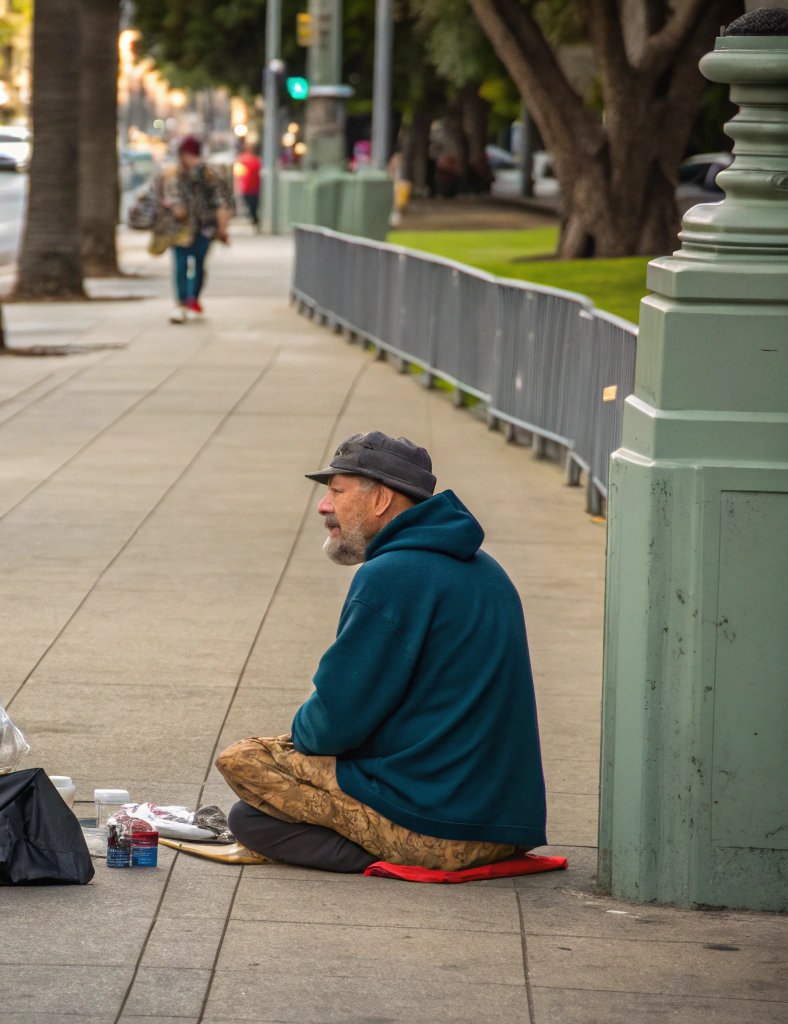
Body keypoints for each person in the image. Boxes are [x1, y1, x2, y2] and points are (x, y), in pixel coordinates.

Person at [215, 432, 547, 873]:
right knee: (260, 812)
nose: (324, 506)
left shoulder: (392, 574)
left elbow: (332, 725)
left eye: (336, 491)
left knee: (244, 765)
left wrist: (299, 739)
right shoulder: (485, 568)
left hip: (440, 825)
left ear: (381, 501)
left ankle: (385, 850)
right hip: (501, 825)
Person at [157, 135, 231, 324]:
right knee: (181, 265)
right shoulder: (173, 175)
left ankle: (193, 300)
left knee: (199, 265)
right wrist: (175, 208)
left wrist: (223, 229)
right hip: (180, 230)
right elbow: (169, 198)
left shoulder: (209, 176)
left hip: (203, 228)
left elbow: (221, 202)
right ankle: (181, 302)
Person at [233, 141, 262, 224]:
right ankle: (254, 219)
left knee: (251, 206)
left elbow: (239, 174)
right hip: (254, 187)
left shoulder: (243, 160)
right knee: (253, 205)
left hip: (248, 187)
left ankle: (254, 219)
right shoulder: (256, 160)